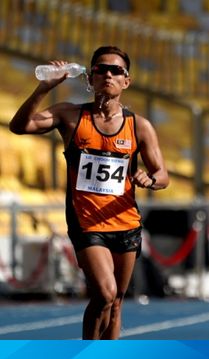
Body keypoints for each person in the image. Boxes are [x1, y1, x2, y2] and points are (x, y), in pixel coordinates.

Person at [9, 46, 169, 339]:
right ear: (90, 77)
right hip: (87, 224)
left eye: (116, 70)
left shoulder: (139, 127)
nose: (108, 74)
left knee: (117, 303)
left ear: (126, 81)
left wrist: (151, 179)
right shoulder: (70, 116)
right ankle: (85, 358)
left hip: (126, 223)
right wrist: (44, 88)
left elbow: (163, 174)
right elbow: (19, 126)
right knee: (105, 294)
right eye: (101, 69)